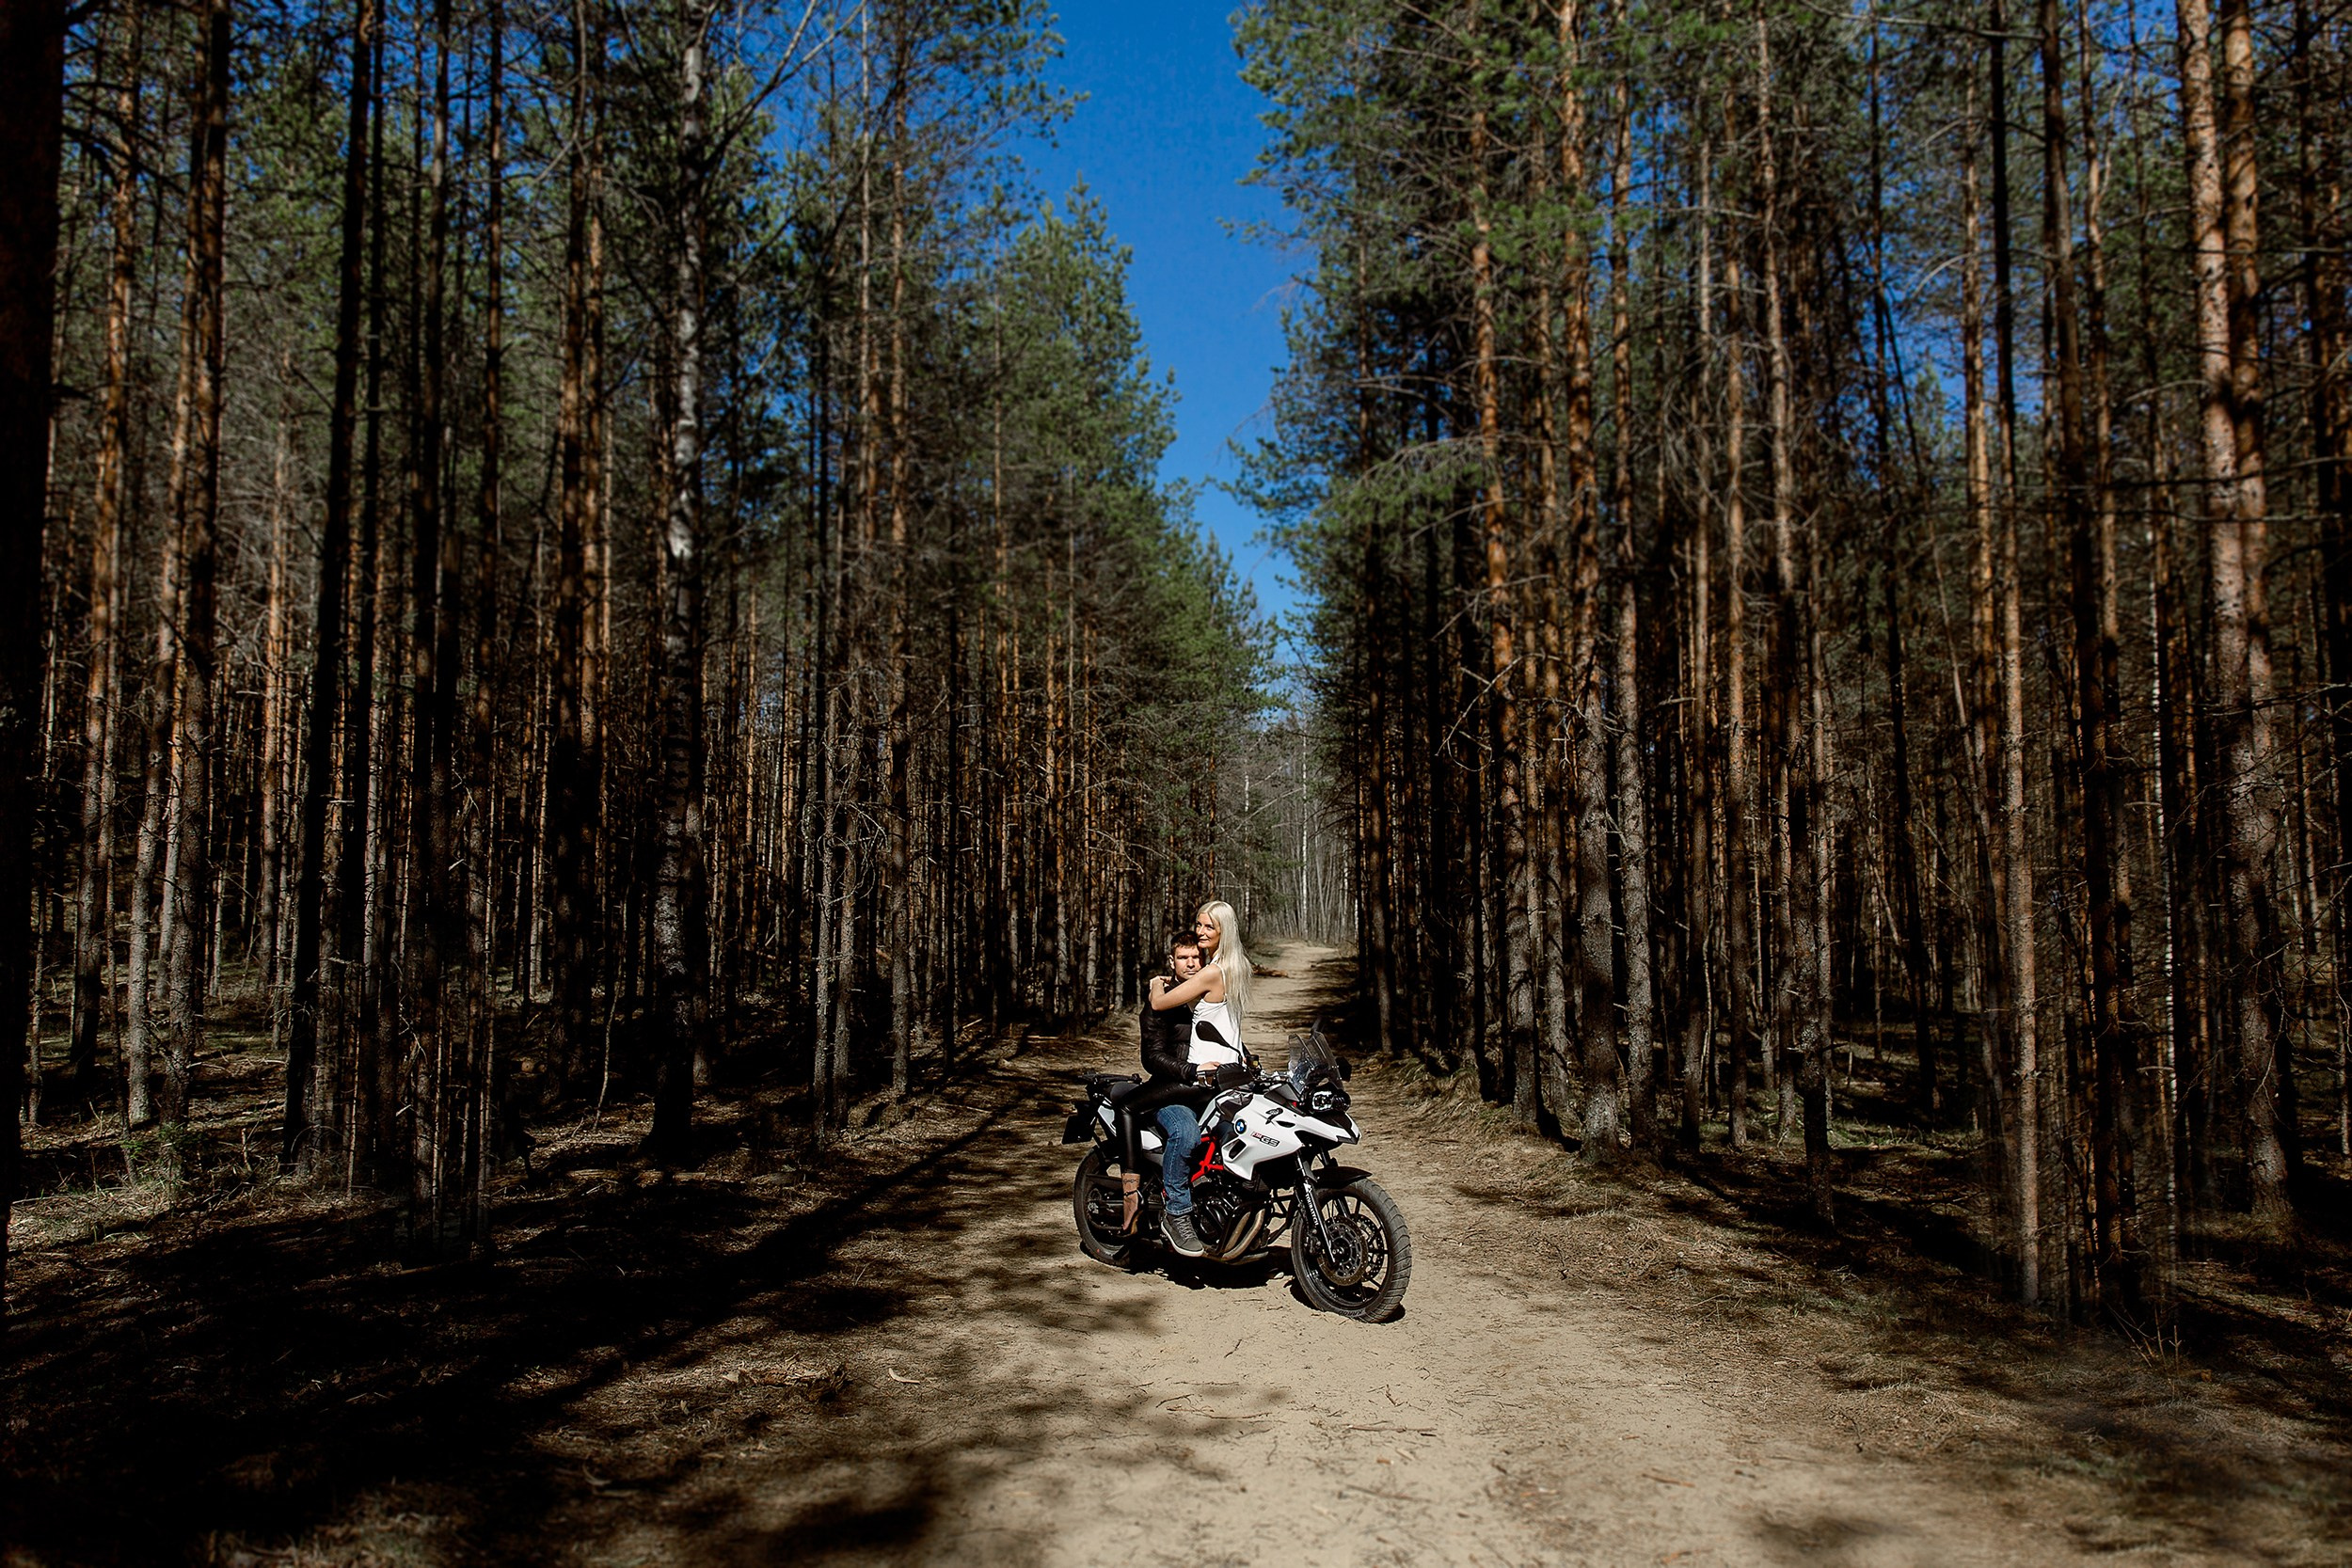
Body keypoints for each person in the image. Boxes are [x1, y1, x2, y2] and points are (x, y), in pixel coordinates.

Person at [1146, 900, 1256, 1258]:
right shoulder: (1231, 968)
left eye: (1209, 927)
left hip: (1215, 1080)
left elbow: (1163, 1002)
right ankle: (1176, 1214)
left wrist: (1154, 988)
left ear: (1224, 929)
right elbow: (1160, 1025)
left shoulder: (1214, 971)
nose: (1201, 932)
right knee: (1186, 1133)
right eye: (1198, 926)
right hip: (1193, 1080)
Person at [1107, 933, 1206, 1237]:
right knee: (1186, 1134)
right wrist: (1190, 1070)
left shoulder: (1210, 995)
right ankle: (1177, 1214)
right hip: (1169, 1092)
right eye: (1183, 958)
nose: (1191, 963)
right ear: (1172, 961)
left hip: (1206, 1089)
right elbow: (1152, 1058)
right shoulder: (1160, 1002)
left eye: (1195, 957)